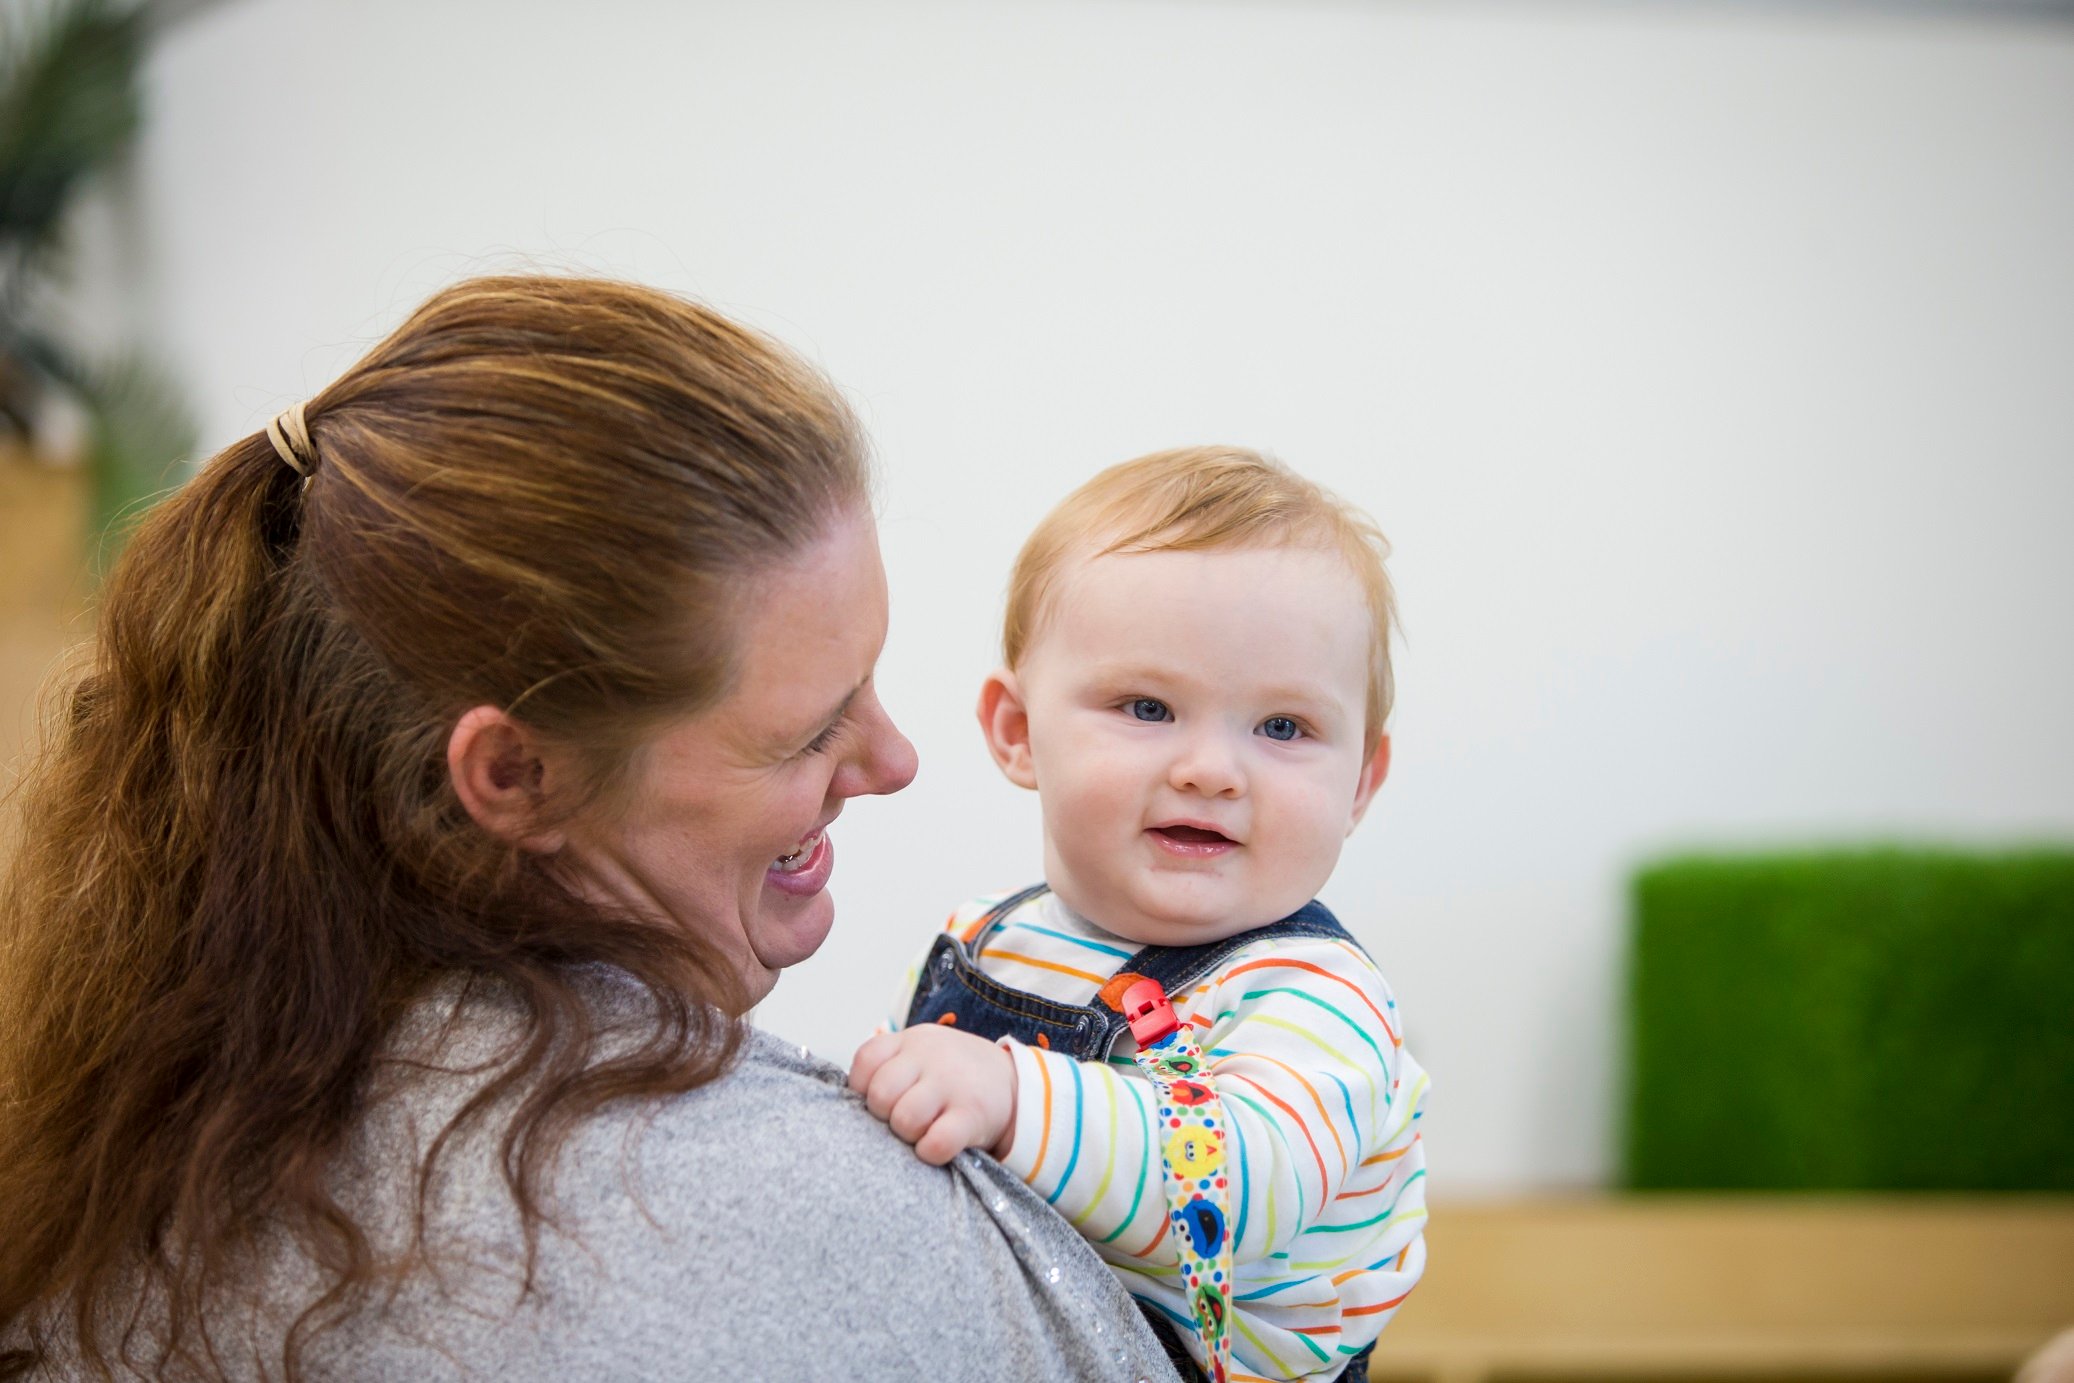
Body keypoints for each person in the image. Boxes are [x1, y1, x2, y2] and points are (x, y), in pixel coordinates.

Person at [0, 276, 1181, 1381]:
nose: (894, 761)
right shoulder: (819, 1227)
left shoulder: (127, 1151)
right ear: (516, 774)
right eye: (809, 730)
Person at [849, 448, 1430, 1383]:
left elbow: (1237, 1187)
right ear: (1017, 731)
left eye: (1283, 727)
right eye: (1148, 706)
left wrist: (1008, 1097)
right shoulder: (989, 940)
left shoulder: (1319, 995)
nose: (1211, 768)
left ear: (1359, 782)